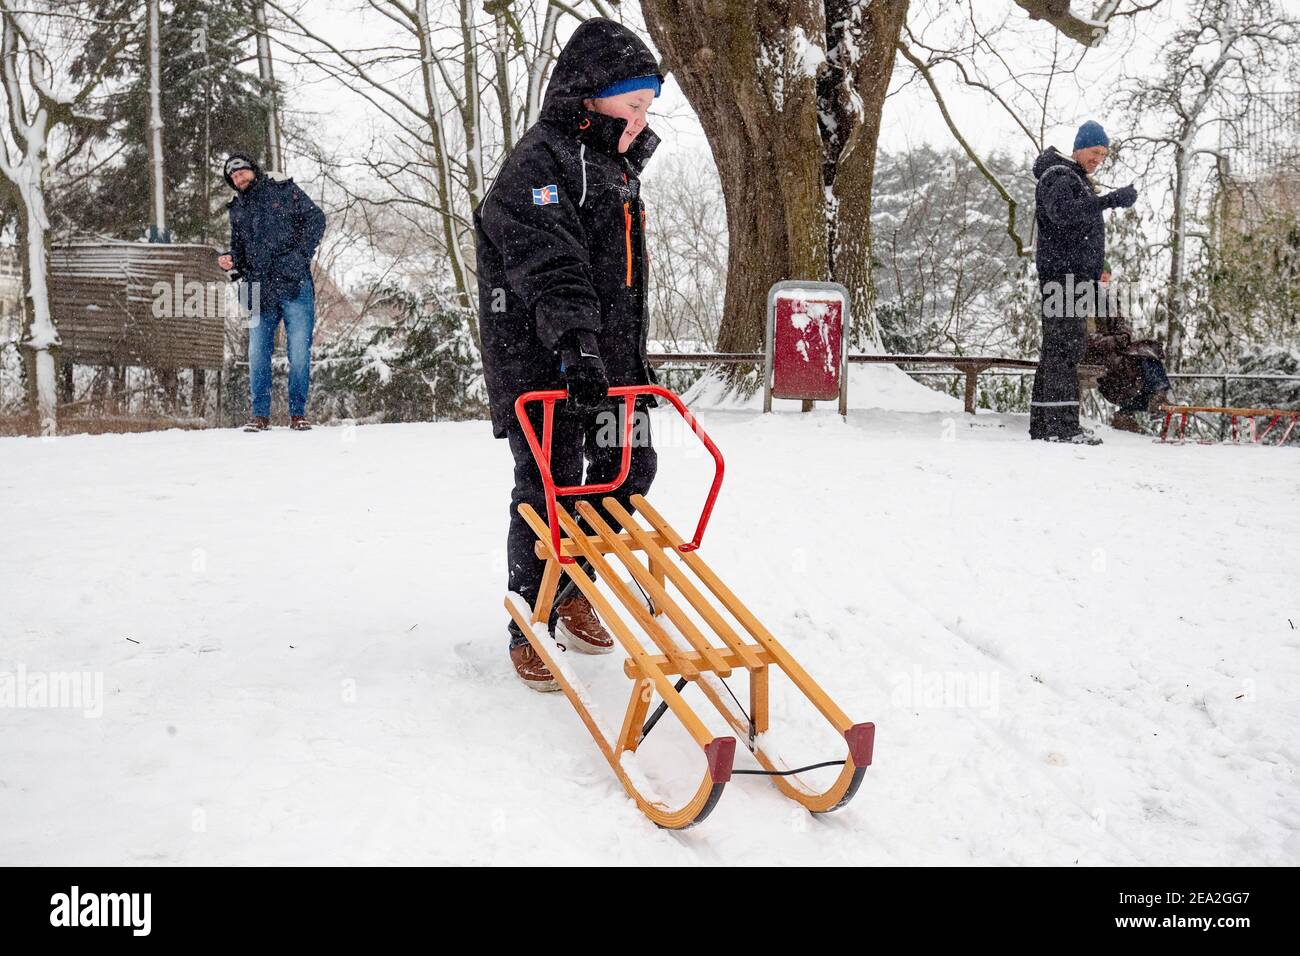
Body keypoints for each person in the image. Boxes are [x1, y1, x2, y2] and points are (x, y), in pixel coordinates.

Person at [474, 18, 663, 691]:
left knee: (628, 465)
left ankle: (572, 580)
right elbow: (550, 263)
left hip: (608, 360)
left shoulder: (613, 169)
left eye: (648, 108)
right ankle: (532, 616)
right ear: (591, 95)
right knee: (550, 483)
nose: (642, 119)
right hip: (541, 358)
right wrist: (574, 342)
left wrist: (619, 355)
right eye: (633, 105)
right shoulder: (537, 165)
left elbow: (623, 278)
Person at [1030, 120, 1138, 445]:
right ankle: (1062, 428)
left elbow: (1074, 222)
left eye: (1103, 155)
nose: (1098, 159)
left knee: (1058, 349)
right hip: (1063, 276)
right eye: (1094, 152)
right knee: (1064, 349)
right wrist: (1110, 200)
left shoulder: (1071, 176)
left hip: (1072, 277)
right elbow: (1063, 213)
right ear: (1078, 147)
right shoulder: (1059, 176)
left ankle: (1045, 424)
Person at [218, 153, 326, 432]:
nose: (239, 178)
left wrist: (299, 256)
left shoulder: (283, 189)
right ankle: (259, 416)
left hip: (294, 283)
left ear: (253, 170)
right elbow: (239, 250)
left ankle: (298, 415)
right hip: (258, 288)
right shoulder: (237, 208)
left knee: (299, 351)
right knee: (257, 353)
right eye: (234, 177)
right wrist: (230, 260)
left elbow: (316, 219)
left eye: (242, 172)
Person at [1085, 262, 1172, 433]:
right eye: (1101, 274)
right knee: (1136, 364)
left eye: (1107, 275)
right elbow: (1086, 339)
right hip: (1094, 355)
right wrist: (1113, 341)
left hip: (1113, 351)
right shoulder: (1086, 300)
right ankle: (1144, 405)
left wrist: (1124, 336)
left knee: (1148, 351)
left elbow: (1122, 326)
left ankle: (1155, 398)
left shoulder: (1110, 301)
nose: (1105, 278)